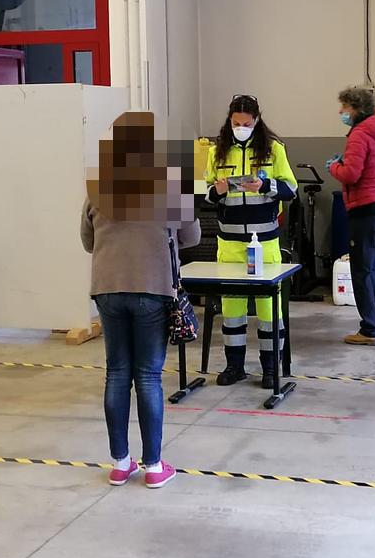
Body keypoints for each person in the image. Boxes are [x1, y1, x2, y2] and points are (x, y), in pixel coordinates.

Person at [81, 112, 200, 489]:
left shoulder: (98, 187)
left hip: (108, 288)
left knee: (117, 372)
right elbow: (192, 237)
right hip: (152, 287)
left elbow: (87, 241)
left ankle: (120, 463)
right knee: (148, 375)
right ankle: (153, 466)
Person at [204, 93, 298, 388]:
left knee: (269, 310)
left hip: (265, 242)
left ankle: (270, 368)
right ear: (229, 121)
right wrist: (217, 191)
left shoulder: (273, 149)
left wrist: (266, 185)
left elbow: (291, 189)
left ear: (256, 121)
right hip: (230, 244)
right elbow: (204, 193)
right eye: (236, 123)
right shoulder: (216, 151)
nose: (241, 128)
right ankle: (235, 366)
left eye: (246, 123)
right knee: (232, 310)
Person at [327, 85, 375, 345]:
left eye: (344, 107)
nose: (341, 112)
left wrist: (334, 167)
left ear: (356, 108)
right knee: (368, 268)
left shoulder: (359, 134)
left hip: (364, 209)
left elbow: (351, 174)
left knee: (360, 271)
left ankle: (369, 330)